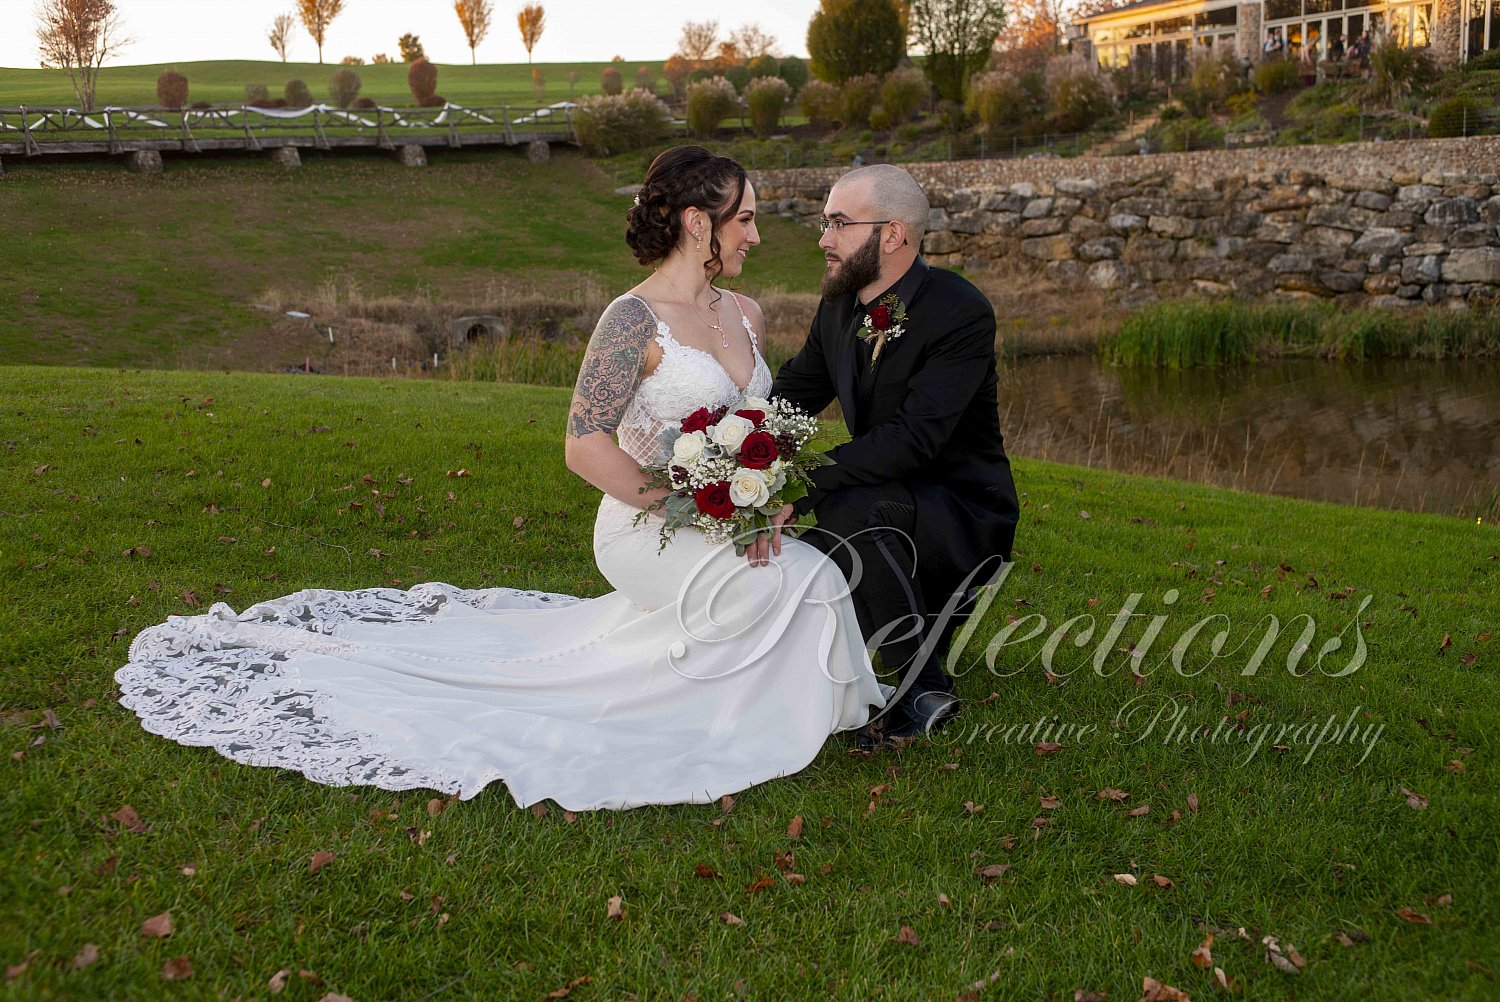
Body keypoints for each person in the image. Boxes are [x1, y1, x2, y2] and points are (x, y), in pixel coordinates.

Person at [115, 146, 890, 812]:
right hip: (645, 526)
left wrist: (757, 502)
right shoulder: (631, 321)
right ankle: (725, 723)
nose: (757, 233)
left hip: (725, 517)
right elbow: (584, 444)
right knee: (766, 589)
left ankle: (813, 713)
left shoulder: (748, 314)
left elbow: (758, 422)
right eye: (744, 218)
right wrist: (692, 510)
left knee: (814, 572)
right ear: (698, 224)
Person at [765, 164, 1020, 748]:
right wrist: (734, 456)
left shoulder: (961, 311)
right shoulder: (838, 307)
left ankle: (922, 689)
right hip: (882, 493)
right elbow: (792, 397)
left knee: (843, 510)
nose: (823, 239)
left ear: (894, 234)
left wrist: (802, 486)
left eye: (839, 223)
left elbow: (914, 440)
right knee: (838, 517)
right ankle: (912, 638)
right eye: (824, 222)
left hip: (958, 505)